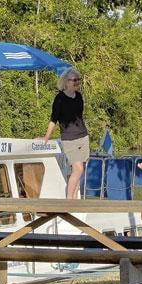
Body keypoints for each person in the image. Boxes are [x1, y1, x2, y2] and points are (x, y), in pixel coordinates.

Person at [40, 67, 89, 199]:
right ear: (66, 82)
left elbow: (79, 117)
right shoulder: (59, 99)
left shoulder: (79, 97)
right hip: (69, 138)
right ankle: (69, 200)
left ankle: (74, 198)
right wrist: (46, 137)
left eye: (78, 80)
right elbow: (53, 119)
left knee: (79, 171)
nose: (77, 82)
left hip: (83, 137)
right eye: (74, 80)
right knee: (78, 169)